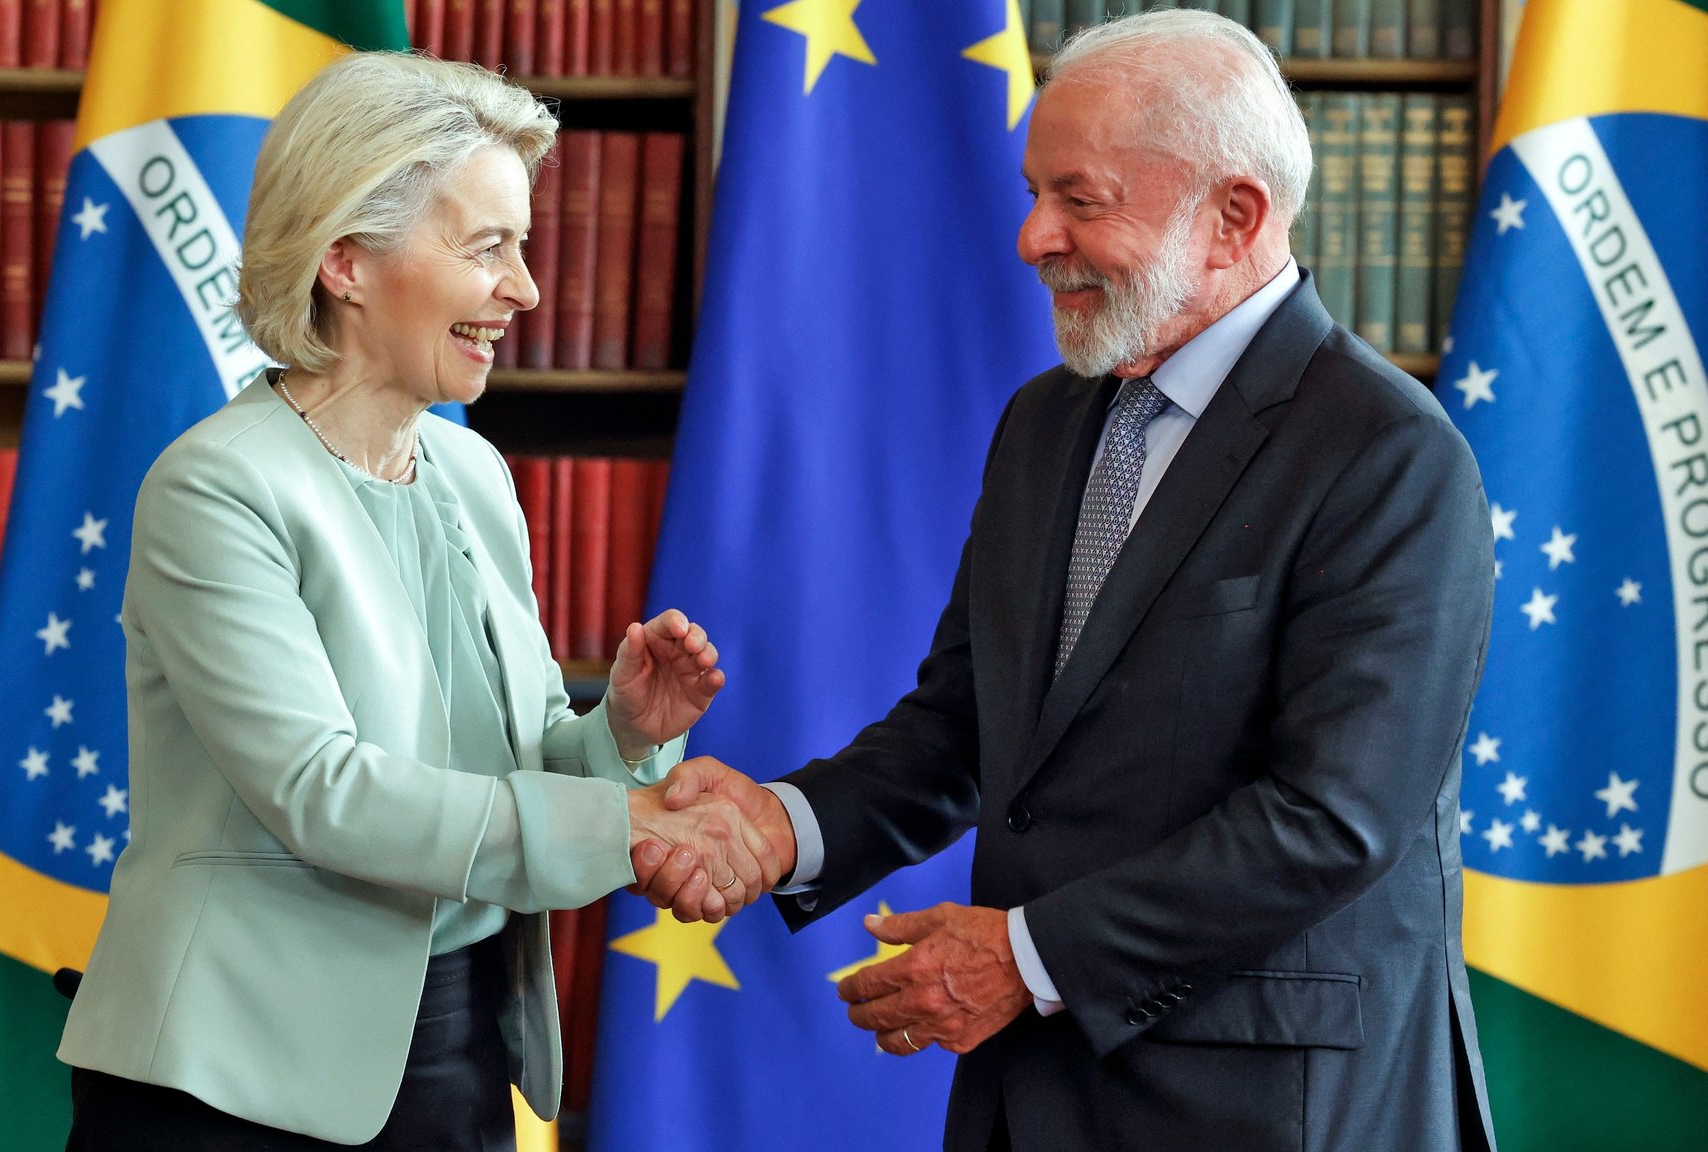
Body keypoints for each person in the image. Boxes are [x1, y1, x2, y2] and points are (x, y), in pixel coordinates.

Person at [638, 10, 1497, 1151]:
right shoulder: (1046, 421)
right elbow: (967, 723)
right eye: (1034, 192)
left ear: (1231, 216)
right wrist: (781, 825)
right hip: (1027, 1094)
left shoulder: (1386, 453)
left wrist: (1026, 957)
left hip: (1265, 1108)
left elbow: (1330, 818)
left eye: (1078, 200)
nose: (1030, 236)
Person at [56, 52, 779, 1150]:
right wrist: (623, 823)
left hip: (459, 1048)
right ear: (344, 260)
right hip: (233, 1074)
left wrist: (621, 741)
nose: (524, 290)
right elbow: (318, 791)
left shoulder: (472, 476)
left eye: (521, 248)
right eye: (488, 247)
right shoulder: (217, 487)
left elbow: (516, 765)